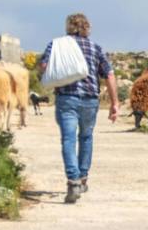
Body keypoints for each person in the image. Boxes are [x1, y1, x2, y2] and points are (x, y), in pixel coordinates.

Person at [41, 13, 118, 204]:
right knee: (86, 137)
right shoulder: (95, 47)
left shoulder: (57, 45)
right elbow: (109, 75)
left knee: (68, 138)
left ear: (68, 26)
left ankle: (73, 181)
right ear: (87, 27)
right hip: (90, 101)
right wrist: (115, 103)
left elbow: (44, 66)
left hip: (66, 98)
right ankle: (83, 178)